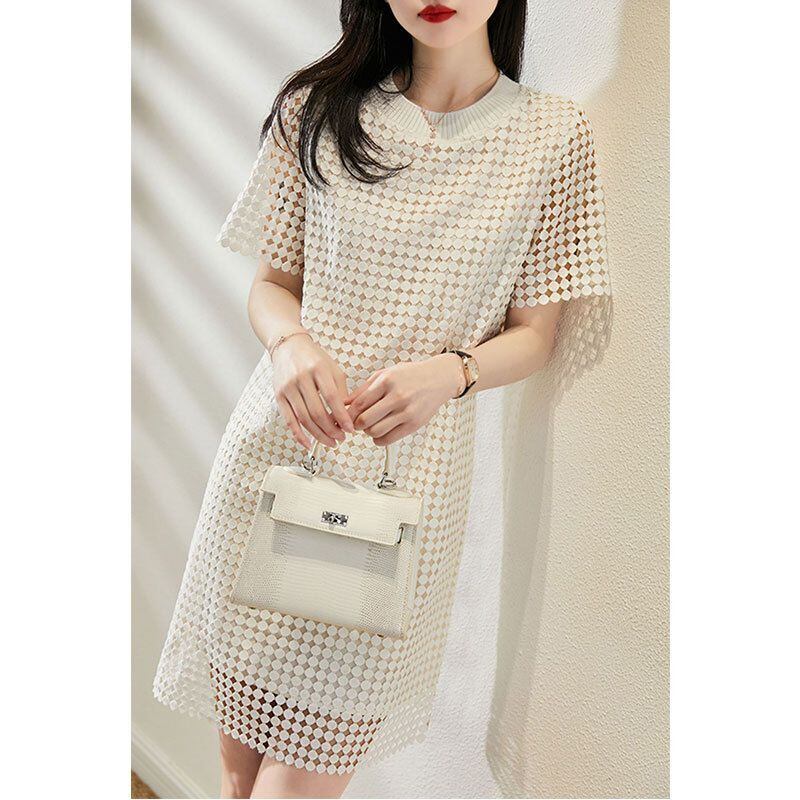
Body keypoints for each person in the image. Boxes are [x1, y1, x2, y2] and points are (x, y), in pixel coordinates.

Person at [153, 1, 612, 797]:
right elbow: (272, 286)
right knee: (237, 778)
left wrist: (452, 372)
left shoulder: (551, 136)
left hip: (405, 498)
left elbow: (536, 335)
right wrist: (290, 344)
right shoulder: (319, 108)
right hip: (277, 457)